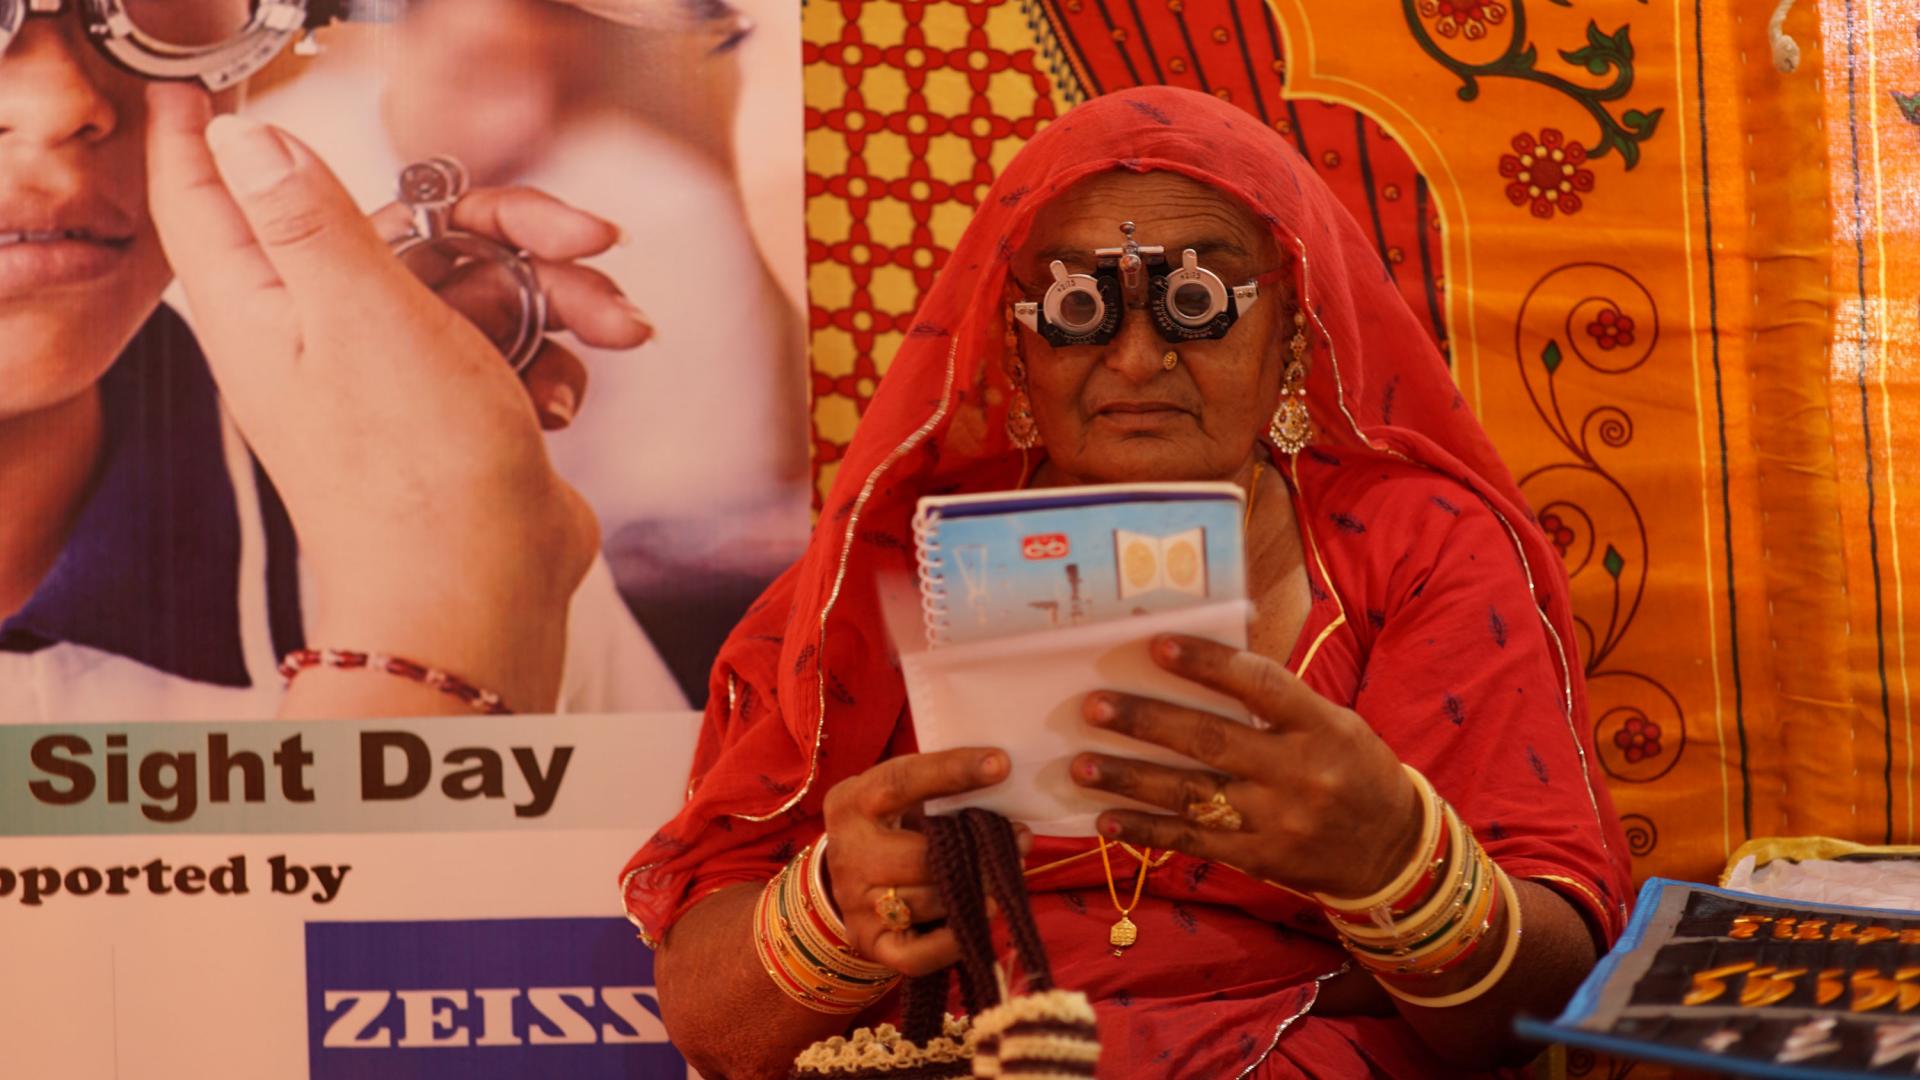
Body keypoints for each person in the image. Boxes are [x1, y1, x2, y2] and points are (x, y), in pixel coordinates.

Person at [619, 86, 1632, 1077]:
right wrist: (837, 905)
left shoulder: (1415, 547)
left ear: (1290, 324)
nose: (1138, 358)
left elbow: (1537, 1018)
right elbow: (716, 1032)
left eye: (1197, 304)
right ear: (1016, 335)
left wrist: (1397, 863)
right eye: (1079, 306)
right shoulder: (881, 569)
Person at [0, 4, 684, 721]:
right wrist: (427, 652)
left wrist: (443, 562)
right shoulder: (450, 569)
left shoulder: (455, 523)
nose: (61, 100)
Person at [245, 0, 811, 699]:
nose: (524, 118)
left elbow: (699, 509)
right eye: (477, 73)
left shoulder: (672, 204)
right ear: (387, 38)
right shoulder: (266, 170)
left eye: (563, 84)